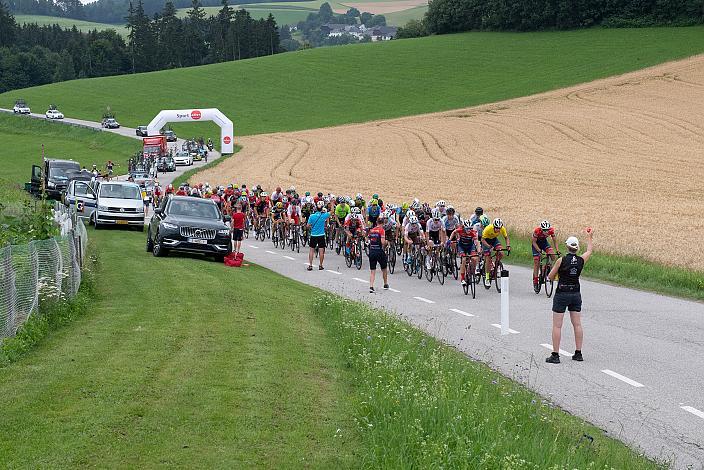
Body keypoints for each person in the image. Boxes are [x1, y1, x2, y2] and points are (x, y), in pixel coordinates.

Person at [545, 228, 594, 364]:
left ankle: (555, 355)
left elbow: (550, 276)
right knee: (577, 324)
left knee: (557, 326)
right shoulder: (581, 260)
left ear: (567, 246)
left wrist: (555, 275)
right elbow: (589, 251)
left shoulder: (561, 260)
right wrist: (590, 237)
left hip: (562, 293)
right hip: (575, 294)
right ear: (577, 248)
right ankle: (578, 353)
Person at [532, 220, 559, 292]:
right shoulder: (537, 231)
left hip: (544, 243)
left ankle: (546, 267)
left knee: (552, 255)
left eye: (547, 230)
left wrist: (557, 250)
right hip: (536, 245)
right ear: (541, 229)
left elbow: (555, 241)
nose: (546, 232)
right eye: (544, 230)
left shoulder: (551, 230)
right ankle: (535, 281)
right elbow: (534, 242)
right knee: (536, 261)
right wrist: (539, 251)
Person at [482, 218, 510, 282]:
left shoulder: (502, 228)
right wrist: (489, 246)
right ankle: (487, 277)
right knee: (488, 258)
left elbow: (506, 237)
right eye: (496, 228)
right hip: (486, 241)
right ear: (493, 226)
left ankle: (495, 263)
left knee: (501, 253)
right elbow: (482, 240)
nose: (498, 230)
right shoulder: (488, 229)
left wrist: (508, 245)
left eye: (499, 228)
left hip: (494, 240)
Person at [367, 215, 389, 293]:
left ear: (376, 222)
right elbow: (383, 242)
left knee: (373, 270)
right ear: (383, 223)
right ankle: (385, 283)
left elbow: (369, 240)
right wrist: (387, 242)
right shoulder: (381, 230)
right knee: (384, 268)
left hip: (372, 251)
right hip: (379, 251)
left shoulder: (372, 230)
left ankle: (371, 286)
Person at [307, 201, 329, 271]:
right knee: (321, 251)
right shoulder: (324, 215)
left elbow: (307, 226)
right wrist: (331, 203)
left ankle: (310, 265)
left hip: (313, 235)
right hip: (321, 235)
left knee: (311, 250)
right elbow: (332, 212)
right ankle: (320, 265)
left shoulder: (311, 216)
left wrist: (310, 226)